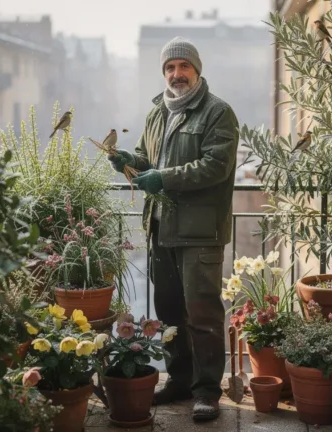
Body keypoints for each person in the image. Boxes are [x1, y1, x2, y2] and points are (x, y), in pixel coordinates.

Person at [108, 37, 238, 421]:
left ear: (196, 70)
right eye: (169, 68)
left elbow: (215, 166)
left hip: (199, 233)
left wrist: (161, 178)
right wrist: (129, 161)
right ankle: (179, 380)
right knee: (168, 312)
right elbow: (150, 158)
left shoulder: (218, 112)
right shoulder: (156, 112)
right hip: (160, 229)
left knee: (202, 312)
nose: (176, 74)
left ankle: (208, 391)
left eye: (183, 67)